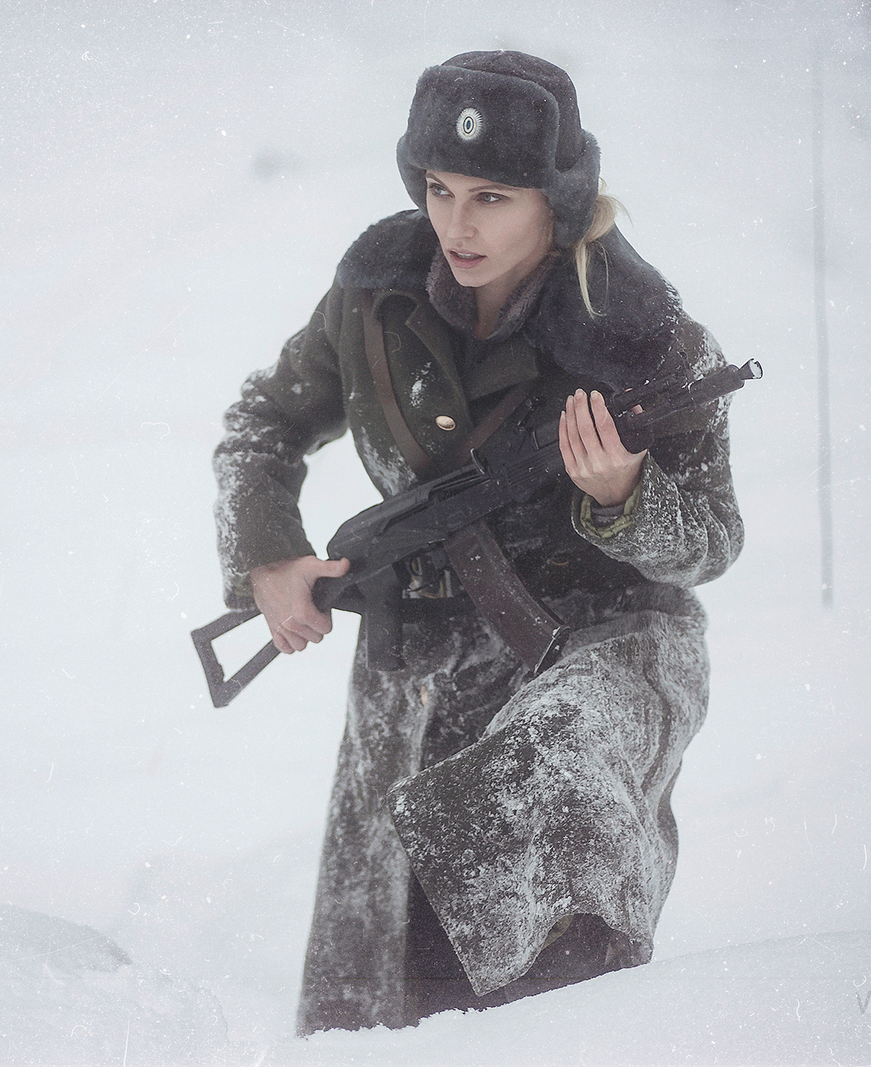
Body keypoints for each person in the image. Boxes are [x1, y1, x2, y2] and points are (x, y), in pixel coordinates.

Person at [211, 51, 743, 1033]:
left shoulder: (648, 344)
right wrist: (268, 555)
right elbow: (262, 424)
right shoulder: (375, 300)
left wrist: (625, 496)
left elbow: (710, 541)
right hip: (415, 659)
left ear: (558, 201)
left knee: (507, 830)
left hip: (597, 644)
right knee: (388, 991)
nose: (456, 224)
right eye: (439, 190)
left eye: (491, 197)